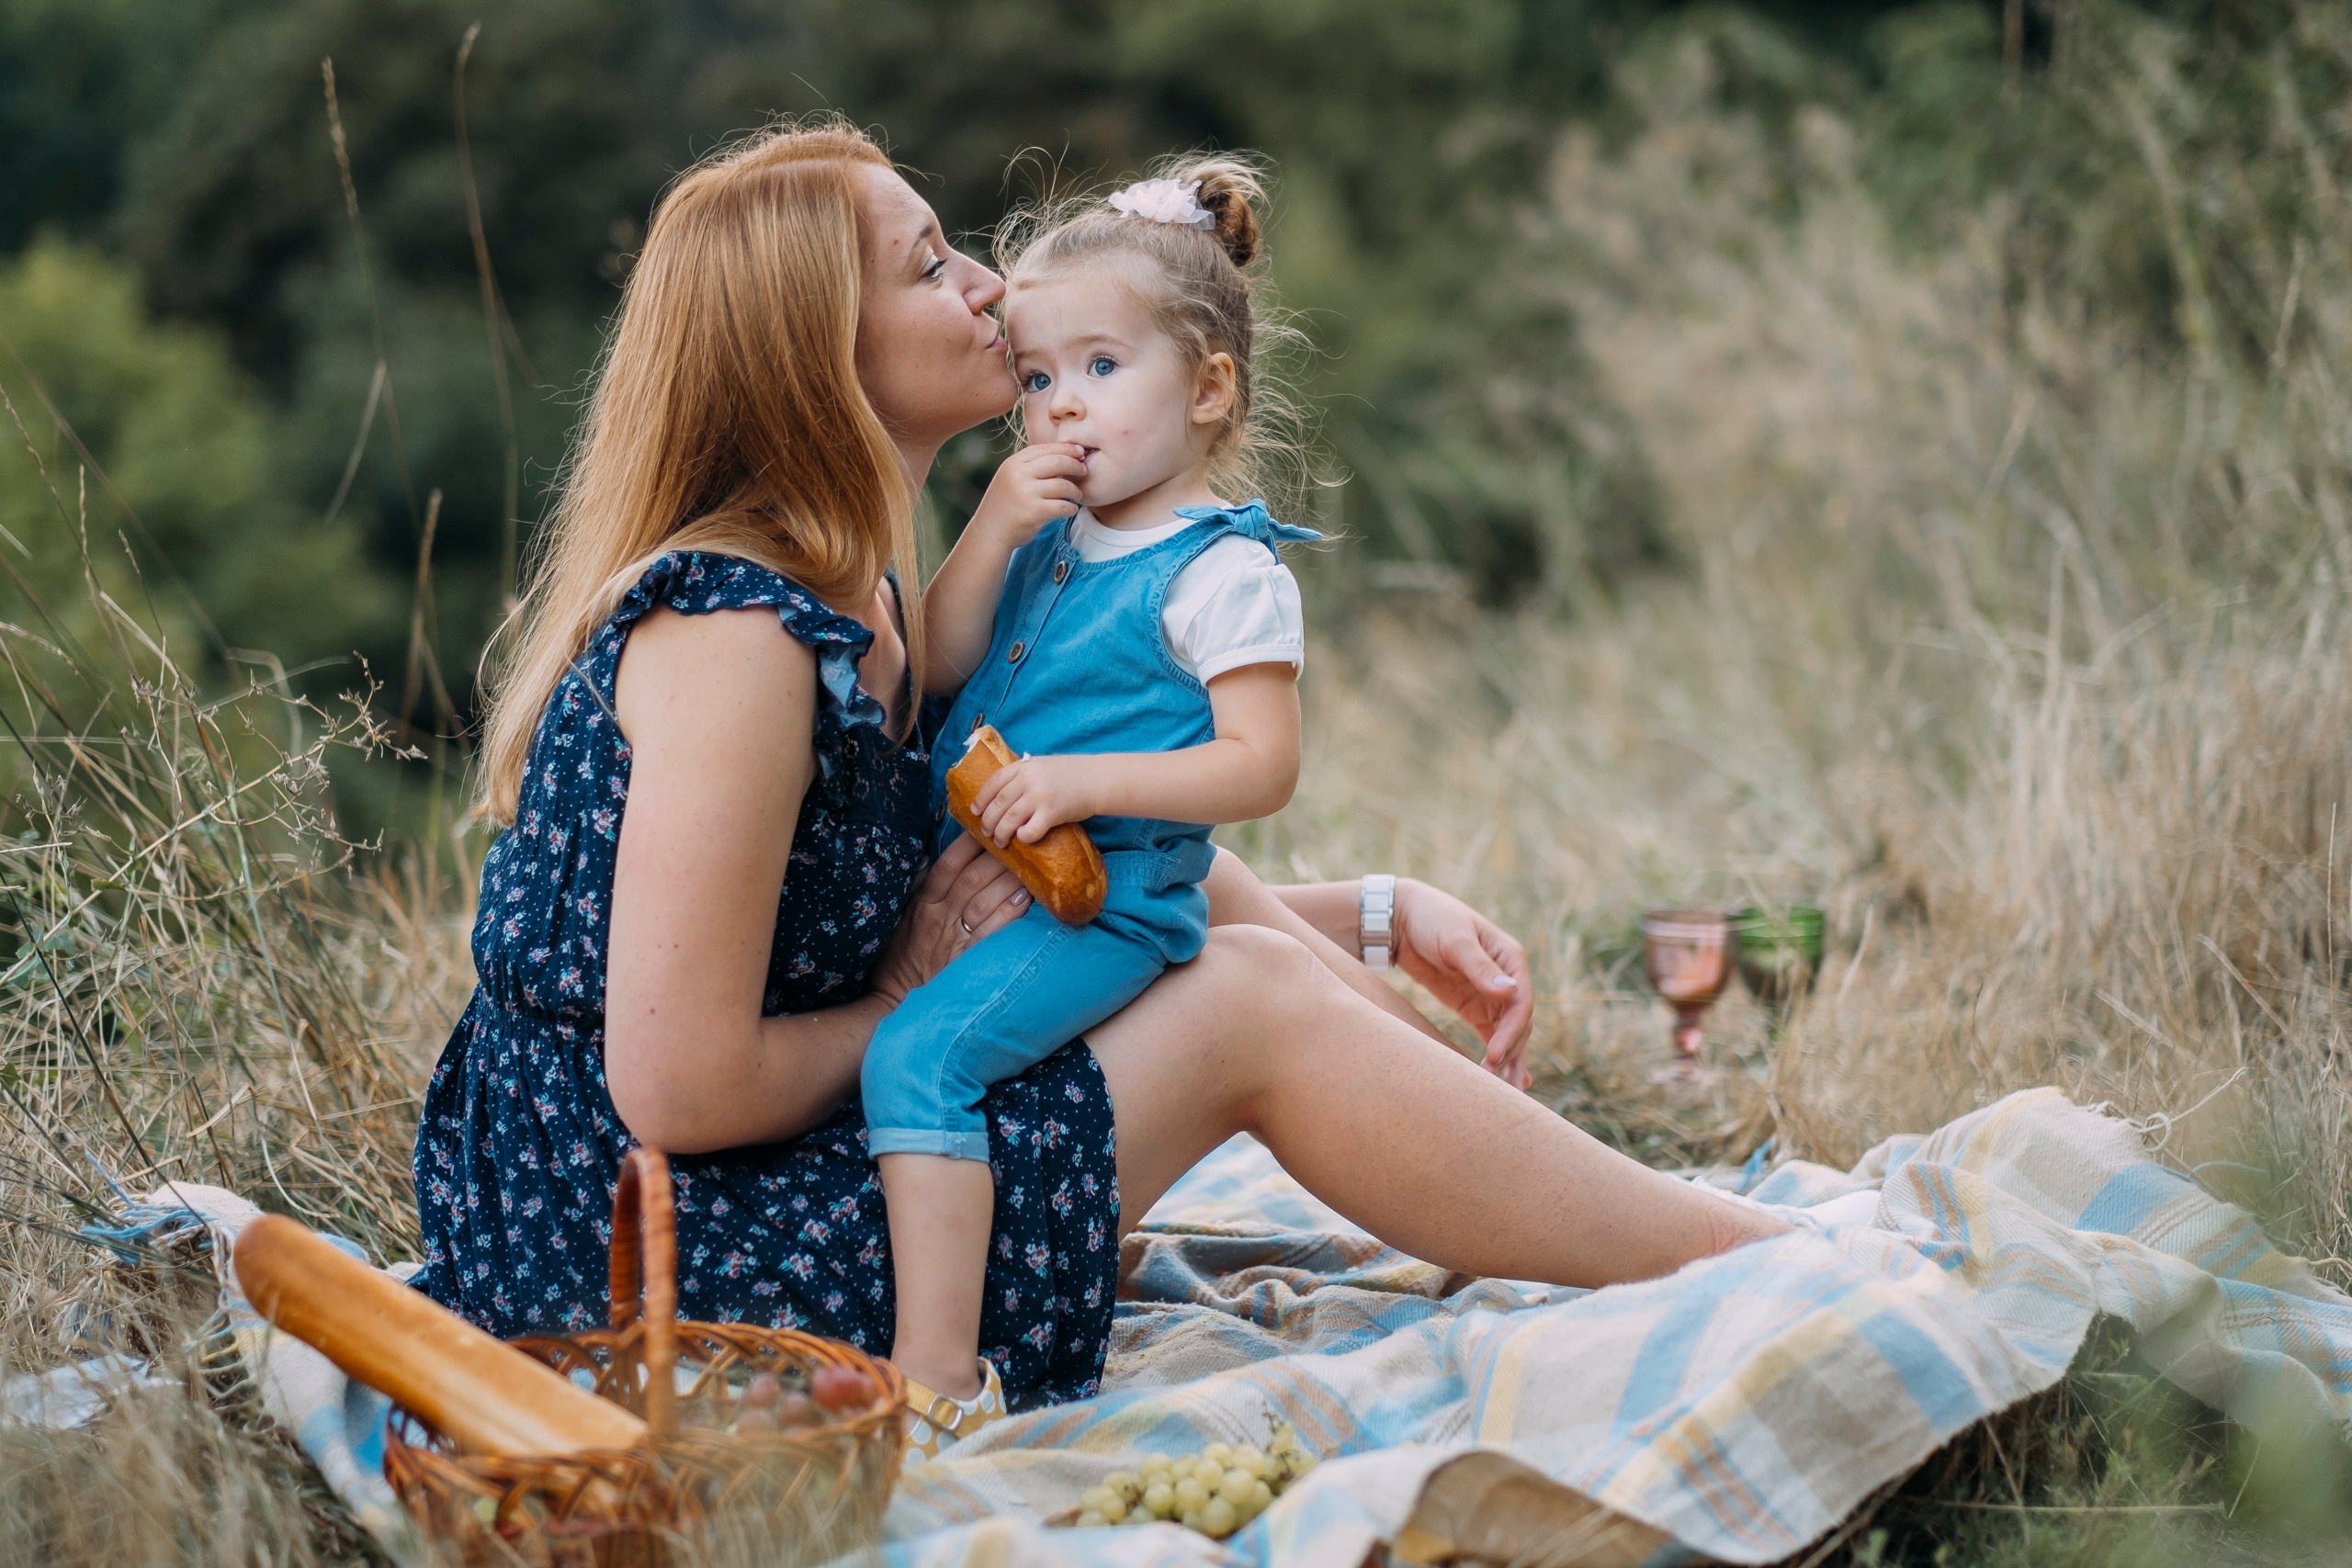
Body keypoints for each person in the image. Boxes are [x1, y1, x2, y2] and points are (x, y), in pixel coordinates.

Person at [411, 118, 1786, 1460]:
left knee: (1257, 965)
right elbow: (679, 1089)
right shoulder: (738, 639)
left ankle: (1650, 1216)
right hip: (649, 1259)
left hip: (767, 1176)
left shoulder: (880, 599)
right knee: (1246, 1004)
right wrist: (901, 998)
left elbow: (1063, 846)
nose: (986, 289)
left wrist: (1366, 917)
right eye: (930, 263)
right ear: (816, 356)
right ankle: (1754, 1261)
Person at [864, 157, 1319, 1440]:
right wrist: (990, 532)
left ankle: (939, 1383)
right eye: (1040, 377)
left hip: (1106, 910)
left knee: (917, 1057)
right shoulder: (1053, 529)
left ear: (1210, 386)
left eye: (1104, 370)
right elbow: (941, 664)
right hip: (1010, 897)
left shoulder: (1222, 571)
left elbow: (1259, 765)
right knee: (933, 1065)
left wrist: (1082, 781)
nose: (1063, 408)